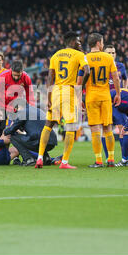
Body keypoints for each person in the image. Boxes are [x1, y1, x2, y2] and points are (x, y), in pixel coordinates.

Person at [35, 31, 90, 169]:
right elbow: (87, 71)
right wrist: (80, 88)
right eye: (78, 41)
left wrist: (48, 98)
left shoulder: (55, 55)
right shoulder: (79, 55)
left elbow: (49, 78)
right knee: (71, 127)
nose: (79, 43)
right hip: (69, 91)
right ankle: (64, 162)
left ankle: (40, 158)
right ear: (72, 42)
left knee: (48, 124)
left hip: (55, 92)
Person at [83, 33, 121, 168]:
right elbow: (116, 78)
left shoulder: (85, 58)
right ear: (99, 43)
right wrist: (118, 93)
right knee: (108, 129)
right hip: (105, 96)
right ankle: (111, 159)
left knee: (95, 129)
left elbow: (81, 79)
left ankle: (98, 160)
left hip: (91, 96)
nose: (103, 44)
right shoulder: (108, 57)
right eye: (103, 42)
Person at [0, 60, 35, 138]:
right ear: (11, 70)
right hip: (3, 105)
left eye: (18, 75)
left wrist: (31, 109)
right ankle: (0, 149)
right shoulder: (3, 76)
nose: (16, 77)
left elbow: (30, 95)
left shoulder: (26, 77)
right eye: (14, 75)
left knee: (19, 127)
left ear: (22, 71)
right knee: (1, 127)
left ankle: (18, 147)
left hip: (16, 106)